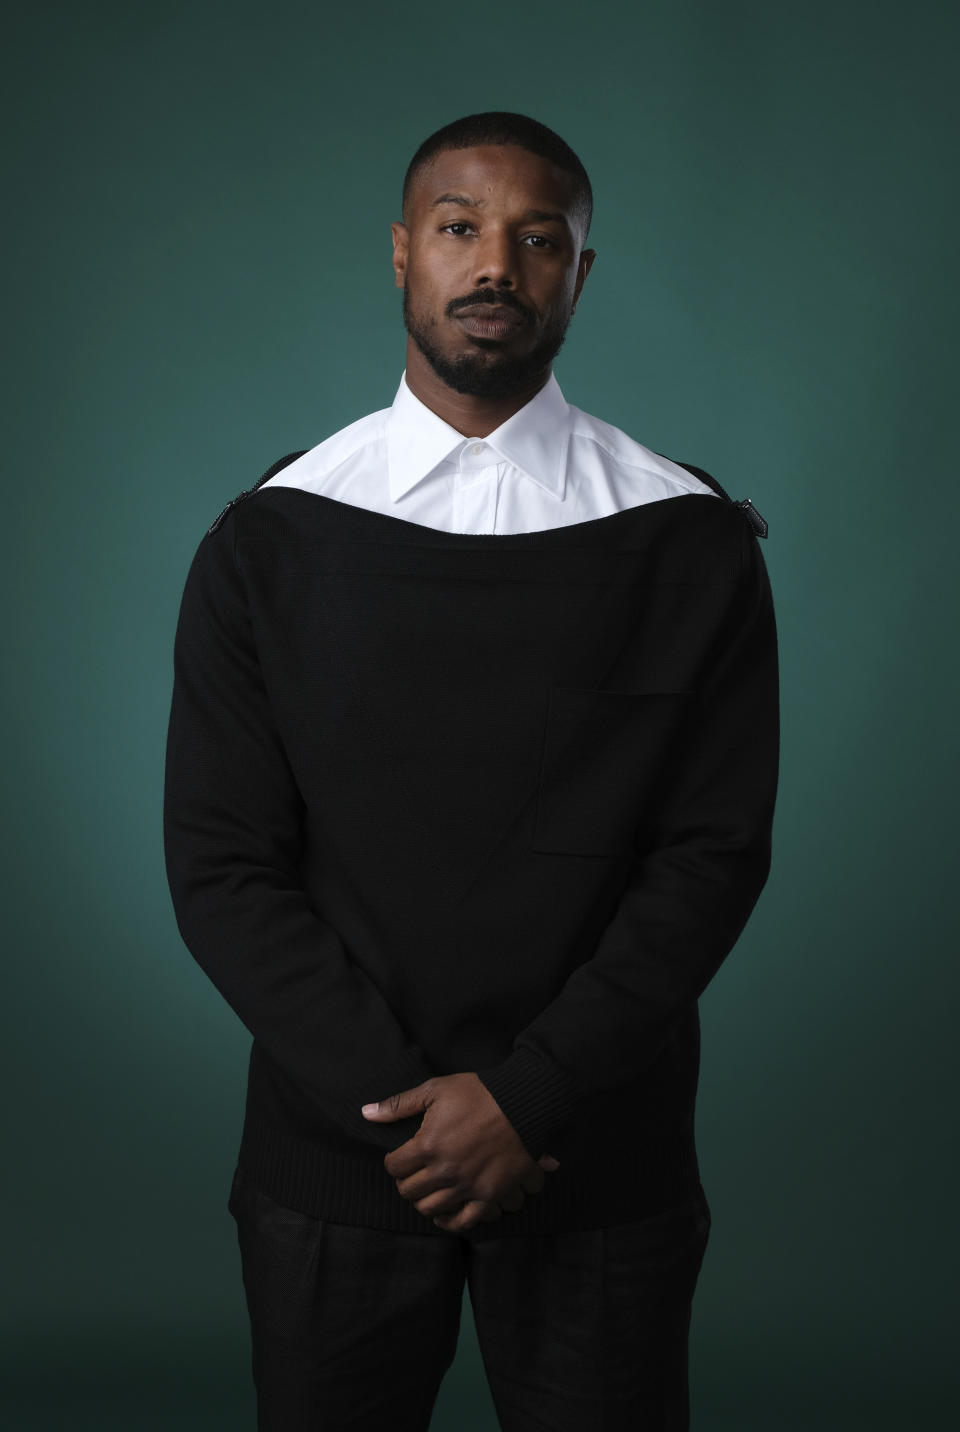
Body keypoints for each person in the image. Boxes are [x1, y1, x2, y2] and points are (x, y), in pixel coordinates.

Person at [163, 110, 779, 1431]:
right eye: (458, 229)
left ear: (580, 274)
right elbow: (221, 866)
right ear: (402, 254)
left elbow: (711, 855)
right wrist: (409, 1114)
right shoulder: (269, 538)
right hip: (333, 1166)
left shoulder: (689, 538)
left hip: (601, 1165)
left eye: (536, 237)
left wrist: (526, 1097)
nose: (494, 264)